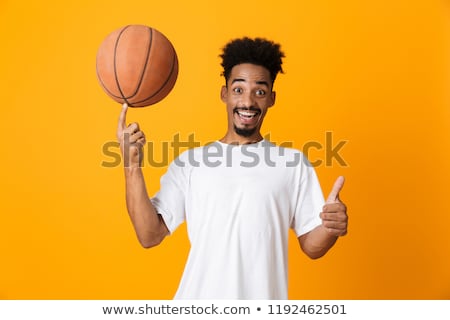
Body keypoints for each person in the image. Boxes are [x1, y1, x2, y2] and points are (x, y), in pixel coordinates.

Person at [116, 37, 348, 299]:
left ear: (271, 98)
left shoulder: (293, 165)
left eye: (259, 91)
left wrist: (330, 228)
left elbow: (312, 246)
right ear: (224, 94)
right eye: (238, 89)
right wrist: (131, 165)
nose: (248, 101)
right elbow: (149, 235)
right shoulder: (191, 164)